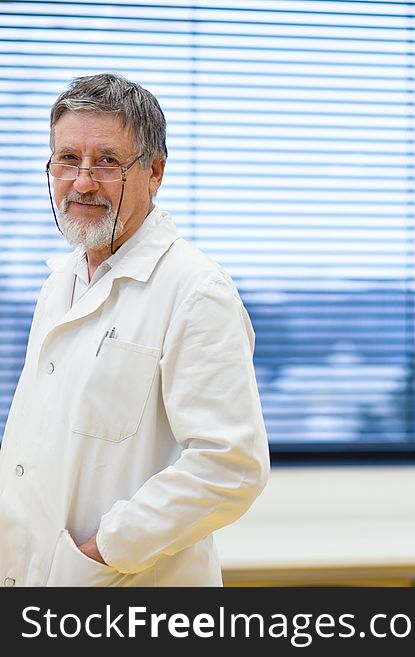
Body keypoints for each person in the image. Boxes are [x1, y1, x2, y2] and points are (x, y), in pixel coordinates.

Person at [0, 73, 270, 586]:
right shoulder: (59, 285)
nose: (82, 182)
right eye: (67, 159)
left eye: (107, 162)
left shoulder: (195, 290)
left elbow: (230, 465)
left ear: (155, 172)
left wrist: (105, 551)